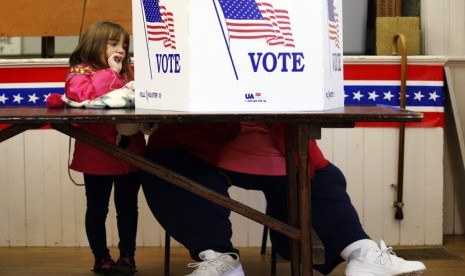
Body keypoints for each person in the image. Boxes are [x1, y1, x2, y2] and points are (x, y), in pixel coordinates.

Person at [140, 122, 427, 276]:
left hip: (278, 147)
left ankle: (362, 254)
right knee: (165, 166)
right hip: (202, 145)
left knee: (324, 178)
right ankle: (218, 260)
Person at [65, 21, 146, 276]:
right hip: (97, 154)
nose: (120, 49)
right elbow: (87, 97)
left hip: (129, 153)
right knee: (98, 208)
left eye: (123, 44)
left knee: (128, 207)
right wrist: (110, 73)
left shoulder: (126, 75)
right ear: (95, 44)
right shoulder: (79, 73)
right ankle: (101, 258)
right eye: (113, 44)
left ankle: (128, 257)